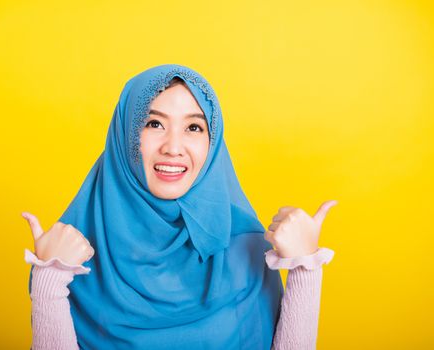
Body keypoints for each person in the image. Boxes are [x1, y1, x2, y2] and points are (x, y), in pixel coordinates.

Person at [22, 64, 337, 350]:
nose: (173, 147)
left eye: (194, 128)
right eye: (154, 123)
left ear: (212, 144)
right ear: (125, 135)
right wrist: (49, 278)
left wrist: (304, 267)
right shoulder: (73, 253)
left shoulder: (244, 247)